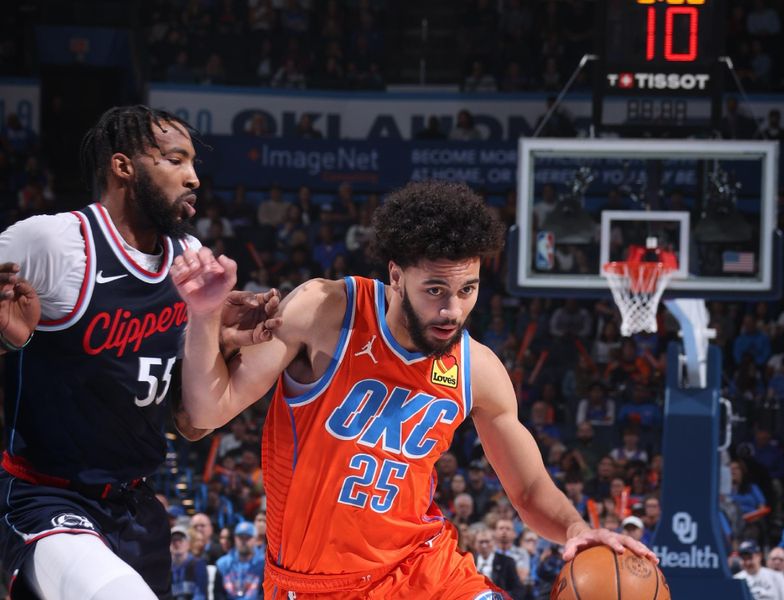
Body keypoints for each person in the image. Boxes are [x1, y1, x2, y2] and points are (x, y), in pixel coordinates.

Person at [173, 181, 655, 598]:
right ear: (397, 276)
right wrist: (203, 315)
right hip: (314, 584)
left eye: (468, 290)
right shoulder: (325, 312)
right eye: (435, 290)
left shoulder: (477, 369)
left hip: (428, 571)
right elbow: (207, 410)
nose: (452, 310)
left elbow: (528, 490)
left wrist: (577, 527)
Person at [0, 105, 280, 599]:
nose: (193, 177)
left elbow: (190, 422)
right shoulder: (52, 242)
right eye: (175, 160)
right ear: (124, 166)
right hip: (45, 495)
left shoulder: (190, 261)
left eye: (194, 163)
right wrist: (6, 341)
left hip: (137, 509)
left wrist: (219, 343)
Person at [214, 521, 265, 600]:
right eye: (240, 537)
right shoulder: (223, 564)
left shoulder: (263, 564)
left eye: (248, 537)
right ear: (235, 538)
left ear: (255, 539)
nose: (244, 541)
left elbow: (264, 594)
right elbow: (218, 594)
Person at [473, 527, 525, 600]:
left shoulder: (506, 562)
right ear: (474, 543)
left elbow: (518, 589)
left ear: (494, 542)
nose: (484, 545)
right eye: (481, 542)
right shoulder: (470, 562)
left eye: (487, 541)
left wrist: (502, 597)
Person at [170, 524, 209, 600]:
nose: (177, 543)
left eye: (180, 539)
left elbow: (200, 595)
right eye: (173, 540)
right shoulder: (164, 568)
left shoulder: (198, 564)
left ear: (188, 543)